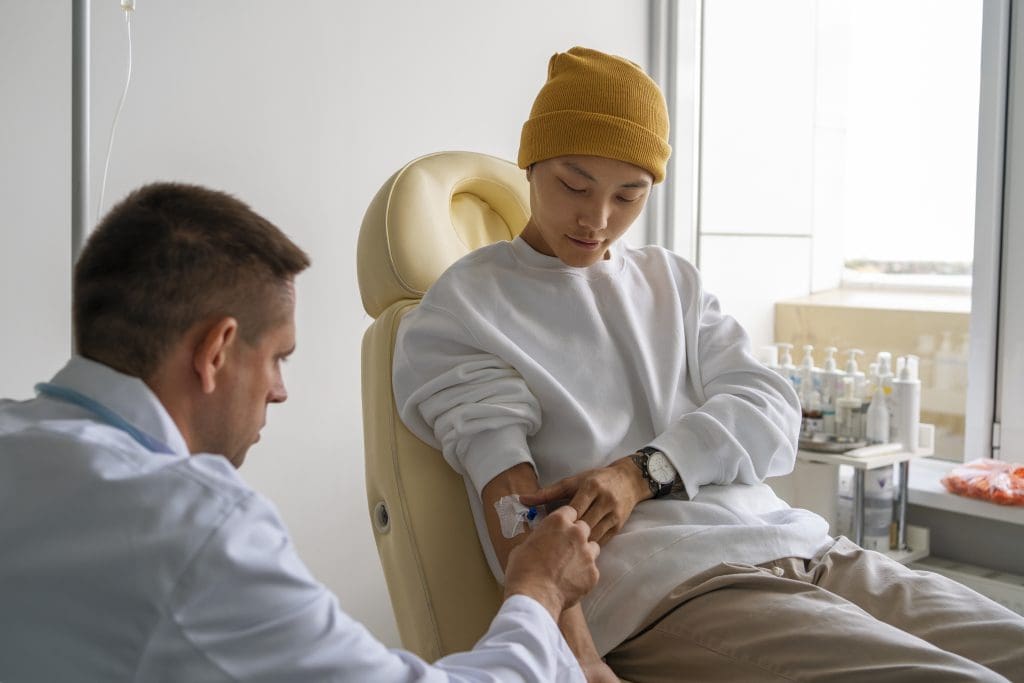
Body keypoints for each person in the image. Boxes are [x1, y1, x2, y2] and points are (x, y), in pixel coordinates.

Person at [392, 46, 1024, 682]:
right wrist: (580, 661)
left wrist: (641, 473)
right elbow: (513, 507)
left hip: (800, 545)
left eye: (628, 195)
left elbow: (771, 410)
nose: (598, 219)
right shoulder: (465, 310)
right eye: (573, 185)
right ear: (531, 165)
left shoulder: (672, 281)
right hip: (670, 589)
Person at [0, 182, 602, 682]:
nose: (280, 391)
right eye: (278, 359)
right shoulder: (194, 527)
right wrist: (539, 591)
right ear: (216, 351)